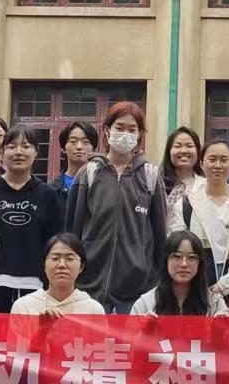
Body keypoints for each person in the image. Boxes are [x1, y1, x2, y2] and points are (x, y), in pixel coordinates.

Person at [68, 101, 166, 313]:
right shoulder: (89, 173)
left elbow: (160, 235)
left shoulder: (150, 175)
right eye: (119, 128)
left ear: (140, 135)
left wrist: (154, 278)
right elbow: (72, 231)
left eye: (132, 130)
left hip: (136, 291)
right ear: (106, 130)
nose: (125, 134)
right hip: (89, 287)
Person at [0, 124, 63, 312]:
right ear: (1, 153)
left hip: (37, 288)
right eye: (11, 147)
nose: (19, 152)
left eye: (26, 146)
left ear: (36, 152)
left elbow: (55, 241)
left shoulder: (48, 195)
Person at [168, 138, 229, 298]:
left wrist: (224, 286)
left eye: (224, 160)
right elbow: (177, 249)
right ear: (201, 164)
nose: (218, 165)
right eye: (212, 159)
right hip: (193, 290)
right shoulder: (186, 204)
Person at [132, 231, 229, 316]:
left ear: (200, 263)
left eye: (191, 257)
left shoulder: (215, 304)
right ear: (166, 261)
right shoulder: (145, 304)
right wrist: (141, 328)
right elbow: (129, 332)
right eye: (177, 256)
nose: (184, 264)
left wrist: (223, 327)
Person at [11, 233, 105, 317]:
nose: (62, 265)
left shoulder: (93, 310)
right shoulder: (23, 307)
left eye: (70, 259)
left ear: (81, 266)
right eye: (55, 258)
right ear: (44, 265)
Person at [160, 126, 205, 221]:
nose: (184, 151)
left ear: (198, 151)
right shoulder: (157, 183)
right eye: (178, 146)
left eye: (189, 146)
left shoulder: (206, 185)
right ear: (169, 151)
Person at [53, 121, 98, 218]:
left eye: (86, 142)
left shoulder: (101, 185)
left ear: (93, 149)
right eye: (73, 141)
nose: (79, 147)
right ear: (63, 149)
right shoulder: (52, 190)